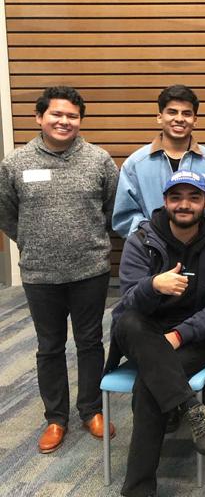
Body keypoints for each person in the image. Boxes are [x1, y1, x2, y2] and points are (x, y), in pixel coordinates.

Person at [0, 86, 118, 453]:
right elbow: (6, 213)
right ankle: (56, 418)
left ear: (80, 121)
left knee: (89, 342)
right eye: (57, 114)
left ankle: (91, 410)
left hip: (90, 269)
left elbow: (113, 211)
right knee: (49, 346)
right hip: (39, 273)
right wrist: (35, 242)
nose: (65, 121)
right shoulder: (15, 163)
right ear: (39, 118)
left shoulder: (99, 160)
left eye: (72, 116)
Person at [107, 170, 205, 497]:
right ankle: (189, 406)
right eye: (176, 197)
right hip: (144, 330)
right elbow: (128, 300)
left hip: (194, 338)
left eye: (194, 197)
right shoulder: (141, 241)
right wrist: (153, 285)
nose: (184, 204)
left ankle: (137, 489)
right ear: (165, 201)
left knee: (148, 386)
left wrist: (180, 335)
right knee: (128, 321)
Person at [112, 84, 205, 238]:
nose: (179, 119)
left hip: (202, 253)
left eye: (186, 113)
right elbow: (125, 215)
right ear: (160, 117)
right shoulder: (135, 164)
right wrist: (152, 239)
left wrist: (199, 237)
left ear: (195, 120)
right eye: (172, 112)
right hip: (151, 255)